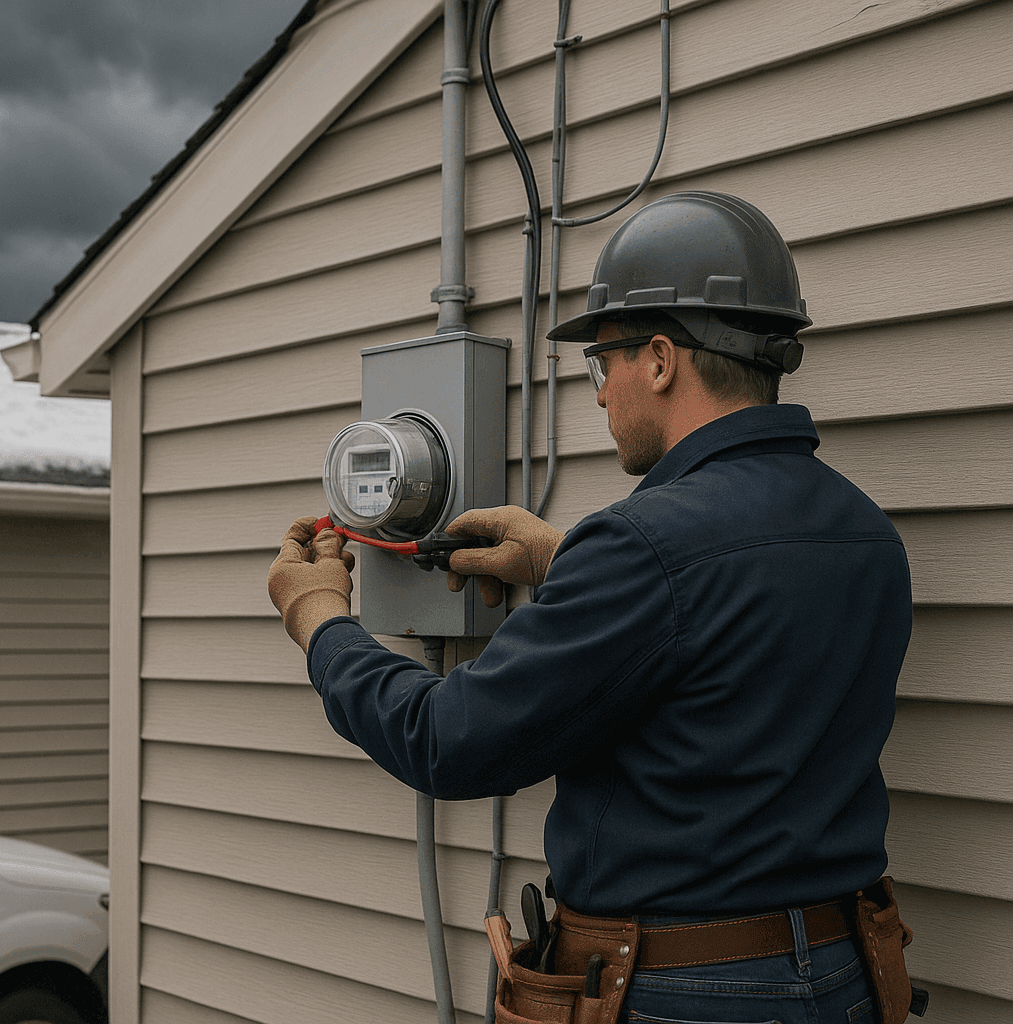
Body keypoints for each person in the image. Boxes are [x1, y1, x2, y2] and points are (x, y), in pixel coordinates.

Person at [266, 192, 917, 1023]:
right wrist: (560, 558)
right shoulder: (865, 532)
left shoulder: (644, 544)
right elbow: (728, 630)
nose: (601, 396)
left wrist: (320, 621)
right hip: (848, 974)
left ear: (660, 360)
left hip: (691, 996)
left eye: (602, 363)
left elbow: (446, 741)